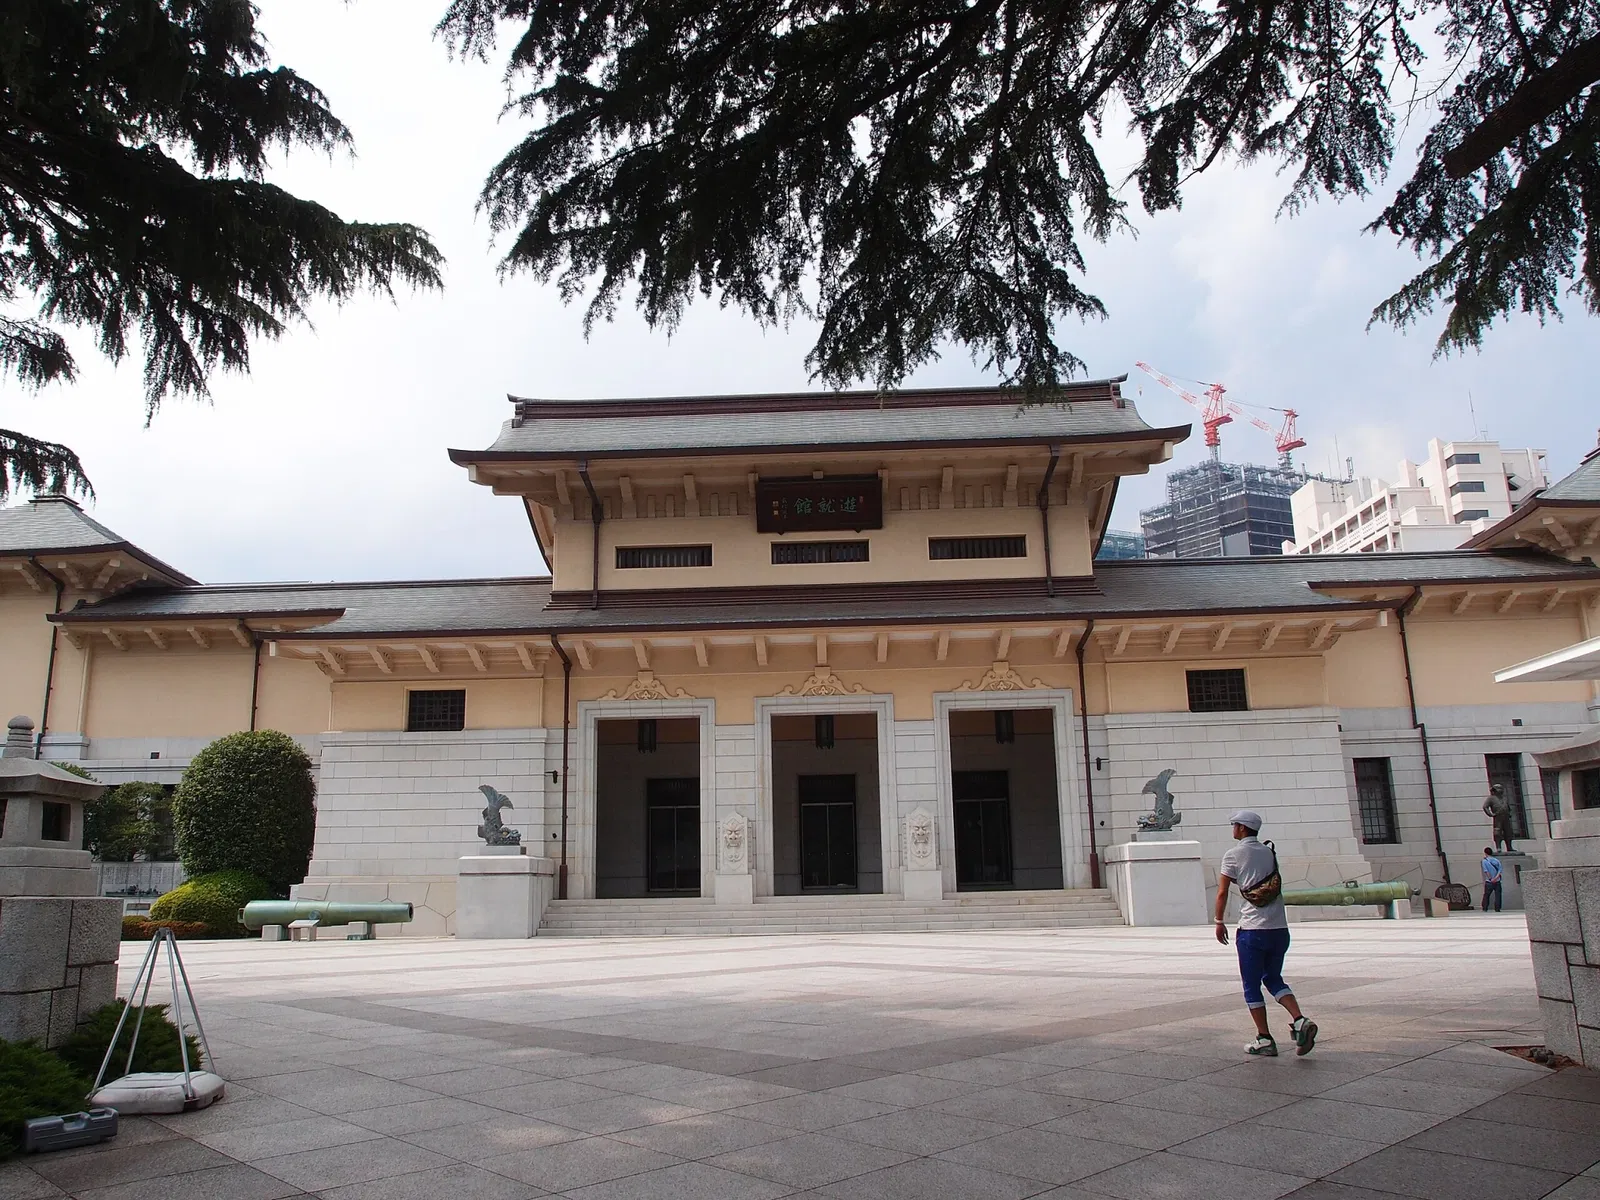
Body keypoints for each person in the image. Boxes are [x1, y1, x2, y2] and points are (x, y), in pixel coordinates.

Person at [1215, 810, 1317, 1057]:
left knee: (1251, 985)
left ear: (1241, 828)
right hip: (1279, 928)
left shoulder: (1233, 855)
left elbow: (1222, 891)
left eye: (1234, 825)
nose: (1233, 828)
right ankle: (1300, 1020)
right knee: (1273, 978)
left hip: (1252, 929)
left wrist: (1219, 921)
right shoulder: (1269, 851)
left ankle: (1264, 1038)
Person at [1481, 847, 1503, 912]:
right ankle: (1497, 908)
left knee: (1486, 895)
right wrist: (1496, 878)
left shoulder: (1484, 861)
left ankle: (1485, 907)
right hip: (1497, 880)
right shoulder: (1496, 860)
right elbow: (1500, 870)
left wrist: (1491, 879)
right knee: (1498, 895)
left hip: (1489, 881)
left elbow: (1486, 871)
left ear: (1485, 853)